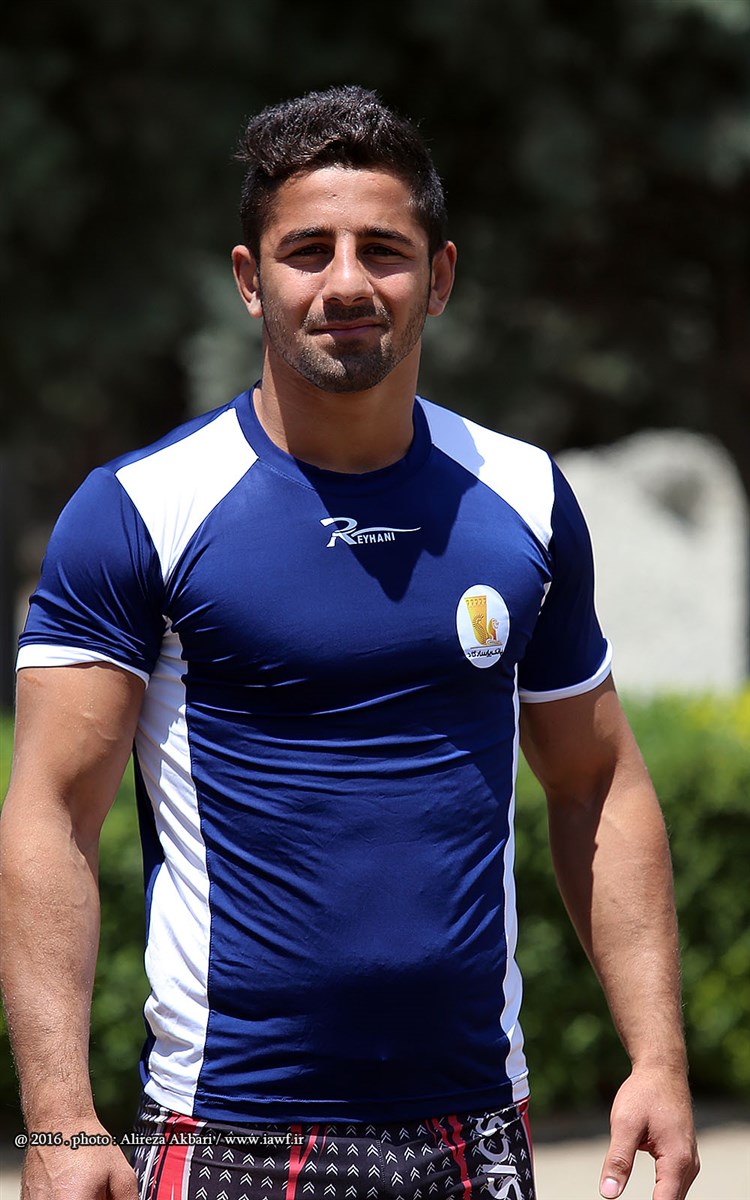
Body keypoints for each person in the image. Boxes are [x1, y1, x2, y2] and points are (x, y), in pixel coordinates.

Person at [0, 85, 699, 1200]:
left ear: (441, 277)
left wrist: (657, 1058)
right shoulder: (141, 509)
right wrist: (60, 1124)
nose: (345, 283)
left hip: (477, 1127)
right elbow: (51, 813)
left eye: (383, 250)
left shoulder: (524, 497)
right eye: (307, 251)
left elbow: (597, 782)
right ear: (249, 280)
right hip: (227, 1131)